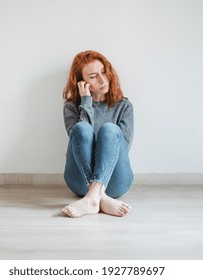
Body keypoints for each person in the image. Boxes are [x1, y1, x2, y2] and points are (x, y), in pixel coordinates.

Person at [62, 50, 134, 218]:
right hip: (79, 181)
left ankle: (93, 199)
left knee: (110, 129)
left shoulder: (124, 106)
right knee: (81, 129)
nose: (103, 80)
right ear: (82, 82)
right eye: (93, 76)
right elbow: (79, 140)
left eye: (104, 72)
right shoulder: (71, 108)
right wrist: (86, 101)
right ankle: (100, 198)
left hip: (116, 181)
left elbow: (123, 148)